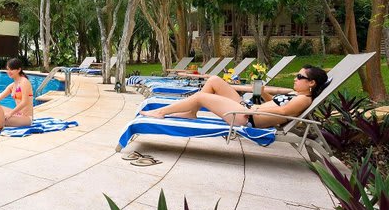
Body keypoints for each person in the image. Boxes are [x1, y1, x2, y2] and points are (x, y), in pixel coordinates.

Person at [140, 65, 328, 128]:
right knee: (214, 80)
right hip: (248, 109)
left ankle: (161, 112)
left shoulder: (304, 99)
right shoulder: (297, 94)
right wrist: (263, 93)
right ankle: (190, 112)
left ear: (311, 83)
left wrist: (256, 108)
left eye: (300, 77)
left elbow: (284, 112)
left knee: (201, 97)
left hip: (247, 117)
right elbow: (276, 103)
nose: (296, 79)